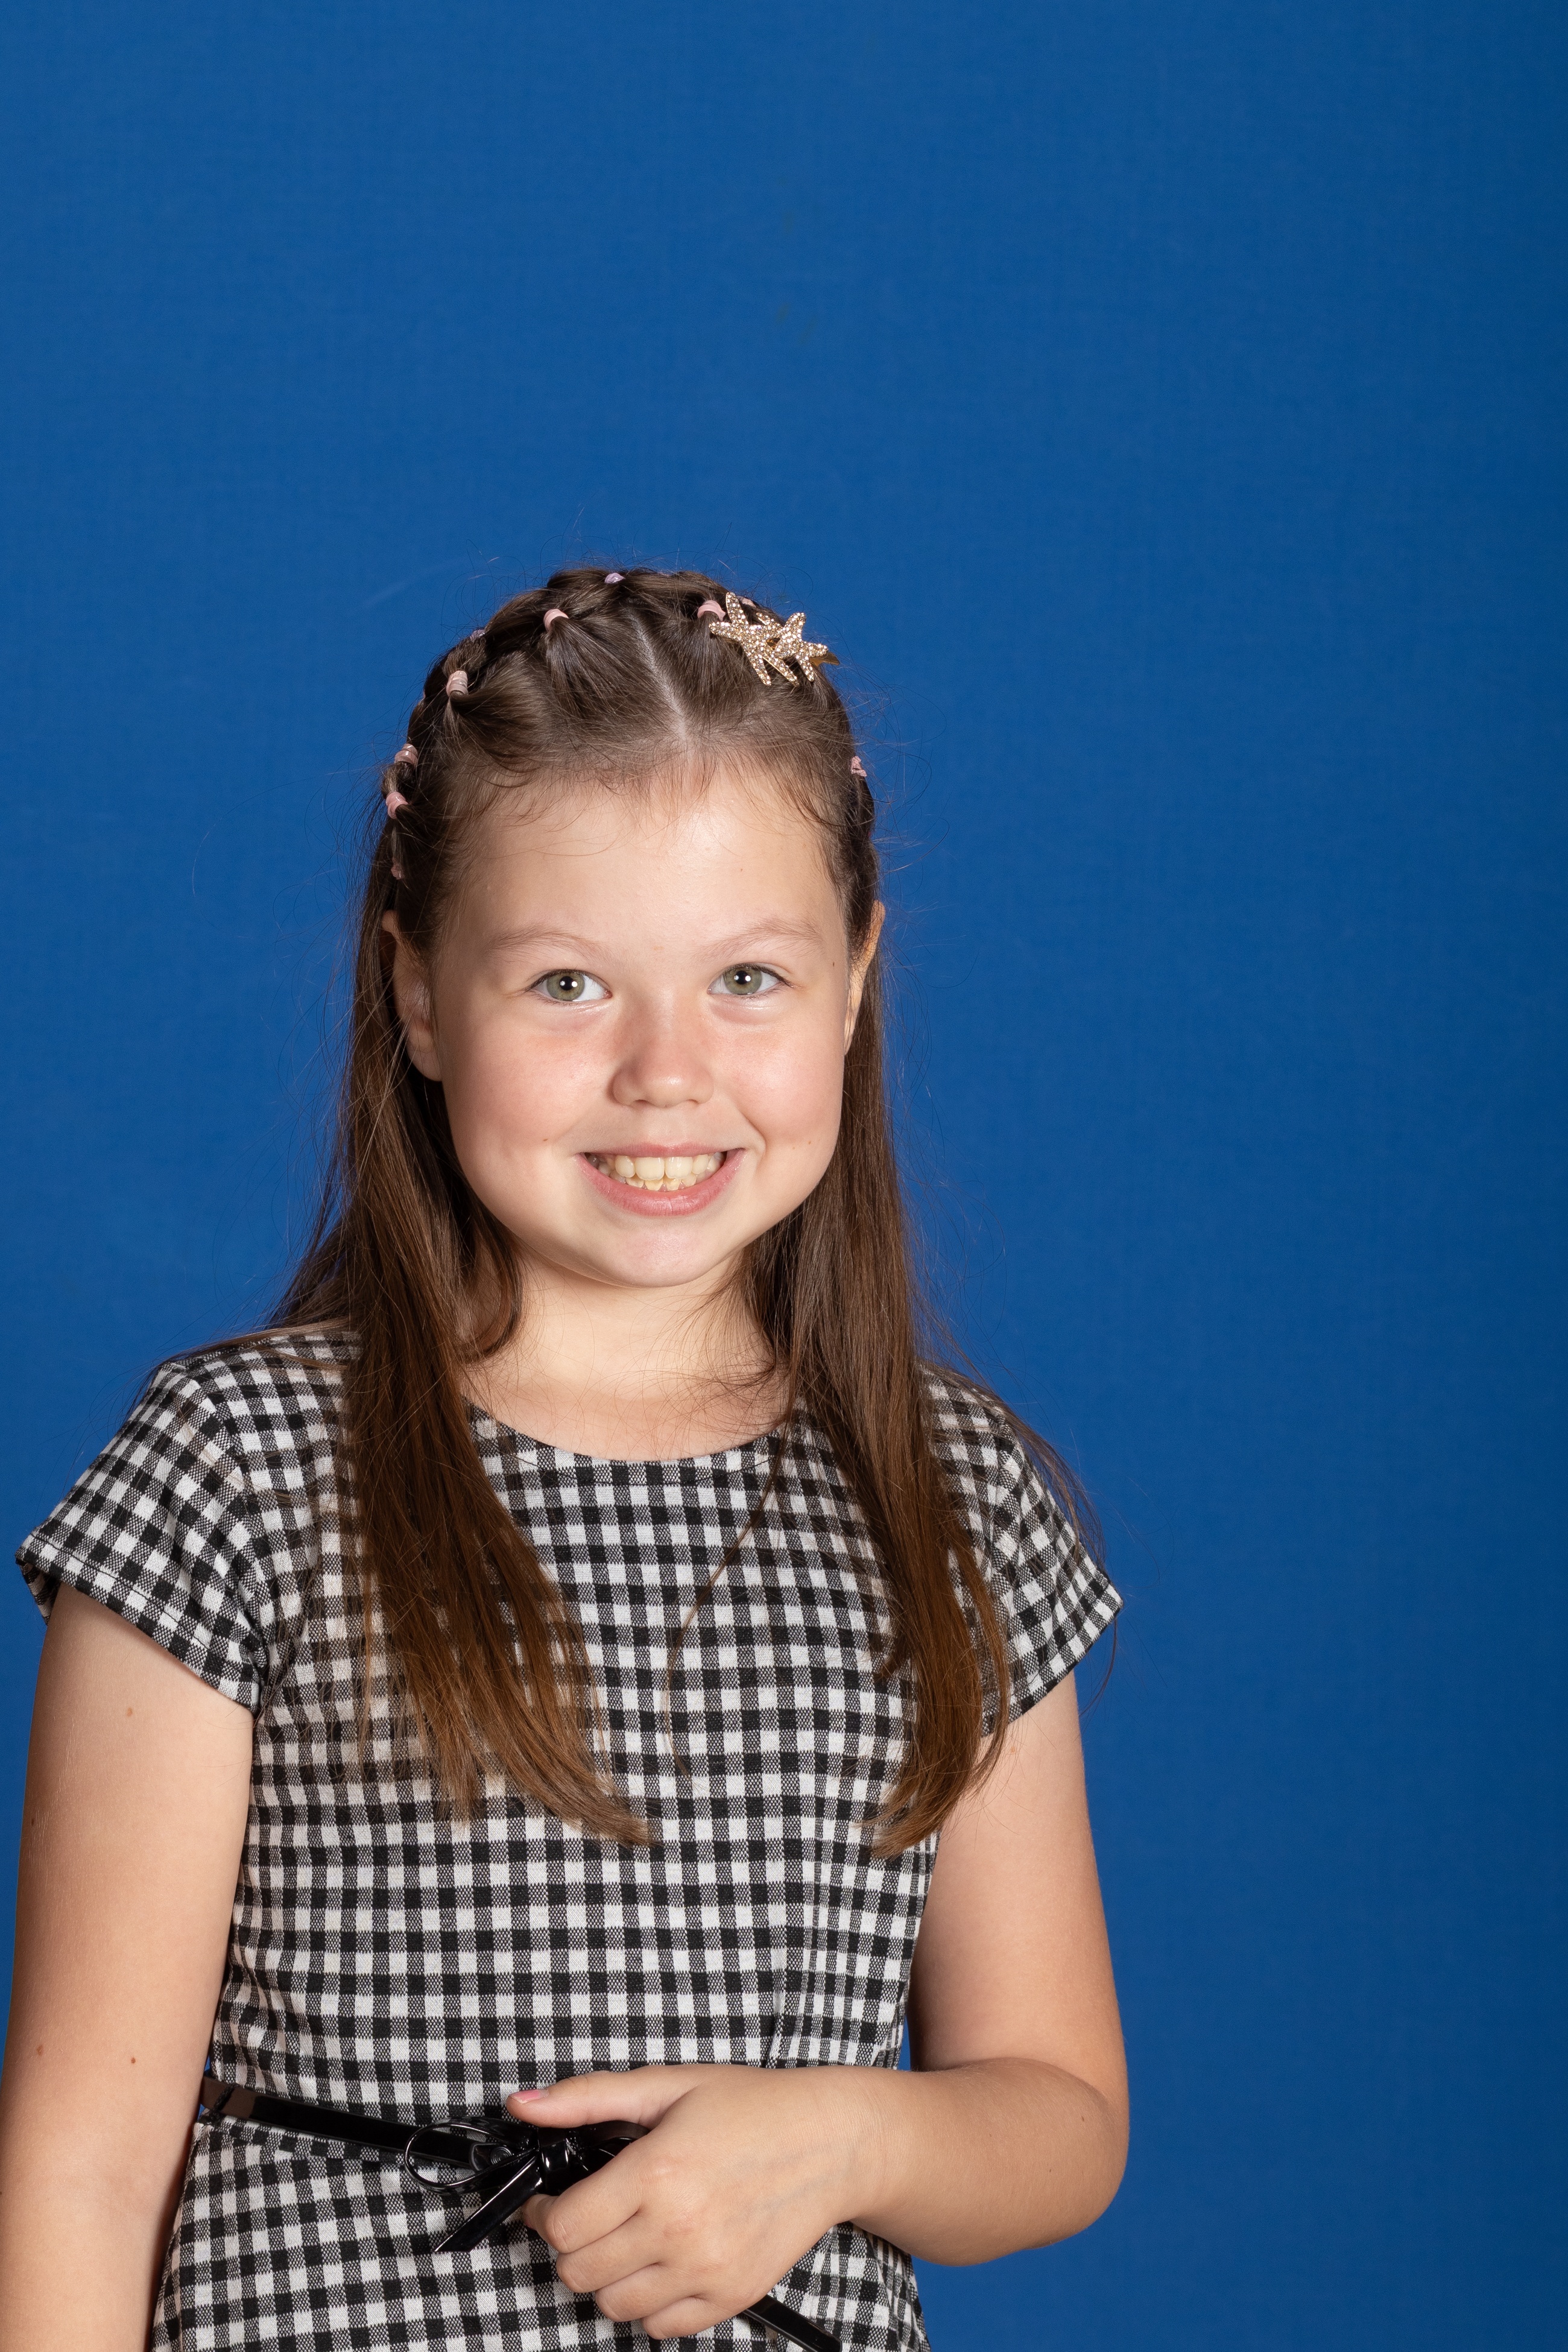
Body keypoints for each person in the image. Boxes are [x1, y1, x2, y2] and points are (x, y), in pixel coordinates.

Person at [0, 569, 1127, 2352]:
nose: (665, 1072)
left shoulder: (956, 1499)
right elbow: (79, 2159)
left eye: (748, 977)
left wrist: (848, 2134)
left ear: (855, 984)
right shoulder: (235, 1470)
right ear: (419, 994)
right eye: (569, 983)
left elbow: (1057, 2112)